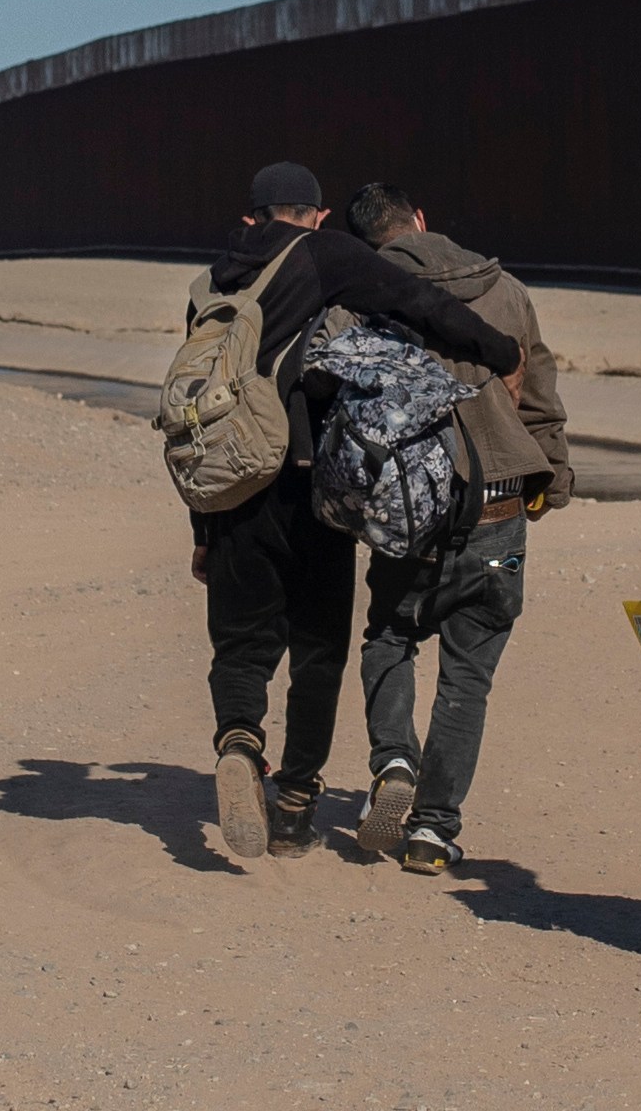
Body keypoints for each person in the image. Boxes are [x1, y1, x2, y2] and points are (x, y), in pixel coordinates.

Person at [189, 162, 524, 861]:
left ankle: (239, 741)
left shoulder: (212, 281)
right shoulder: (325, 254)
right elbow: (415, 303)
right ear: (314, 215)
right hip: (313, 489)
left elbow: (200, 410)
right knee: (317, 650)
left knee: (241, 644)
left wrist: (201, 530)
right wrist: (496, 350)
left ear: (251, 215)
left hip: (230, 488)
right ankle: (293, 809)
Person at [340, 183, 573, 874]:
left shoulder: (363, 297)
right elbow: (540, 395)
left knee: (389, 635)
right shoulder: (506, 290)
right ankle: (434, 831)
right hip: (499, 526)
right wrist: (551, 480)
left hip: (411, 524)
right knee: (469, 672)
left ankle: (393, 762)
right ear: (420, 219)